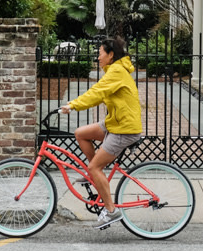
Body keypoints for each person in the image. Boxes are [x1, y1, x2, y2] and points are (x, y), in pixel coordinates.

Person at [58, 35, 143, 228]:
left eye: (100, 54)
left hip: (124, 129)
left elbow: (96, 93)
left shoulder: (117, 72)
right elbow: (98, 94)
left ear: (111, 55)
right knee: (81, 133)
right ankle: (95, 176)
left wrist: (72, 105)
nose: (98, 57)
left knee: (94, 167)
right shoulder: (114, 70)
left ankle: (111, 211)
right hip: (114, 123)